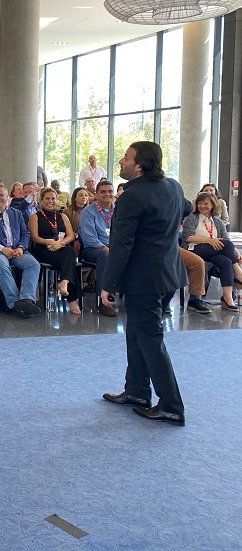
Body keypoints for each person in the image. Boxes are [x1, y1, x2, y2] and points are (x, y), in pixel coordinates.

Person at [101, 141, 186, 426]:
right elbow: (184, 209)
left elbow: (121, 244)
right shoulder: (174, 187)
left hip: (144, 280)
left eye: (126, 158)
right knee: (136, 333)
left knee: (150, 339)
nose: (121, 162)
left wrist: (107, 283)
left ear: (139, 165)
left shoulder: (131, 196)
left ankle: (171, 406)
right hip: (169, 274)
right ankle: (137, 391)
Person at [0, 183, 41, 318]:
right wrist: (2, 248)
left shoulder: (16, 213)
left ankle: (26, 299)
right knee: (3, 265)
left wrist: (21, 248)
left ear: (7, 197)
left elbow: (25, 234)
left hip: (16, 250)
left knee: (33, 264)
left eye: (1, 195)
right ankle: (14, 303)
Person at [181, 192, 242, 312]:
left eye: (206, 203)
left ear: (213, 205)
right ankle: (239, 274)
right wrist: (209, 241)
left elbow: (225, 239)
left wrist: (236, 252)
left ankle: (227, 298)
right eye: (200, 203)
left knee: (225, 261)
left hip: (212, 251)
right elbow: (187, 237)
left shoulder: (217, 222)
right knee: (227, 245)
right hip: (193, 248)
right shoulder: (192, 218)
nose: (202, 206)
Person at [28, 187, 81, 315]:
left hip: (60, 248)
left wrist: (59, 243)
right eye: (47, 198)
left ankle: (64, 282)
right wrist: (49, 242)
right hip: (43, 249)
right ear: (41, 200)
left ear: (57, 200)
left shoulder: (62, 216)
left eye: (53, 198)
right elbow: (34, 237)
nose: (50, 201)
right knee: (69, 260)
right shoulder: (35, 216)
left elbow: (71, 235)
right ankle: (72, 299)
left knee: (68, 252)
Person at [79, 180, 116, 317]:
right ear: (96, 194)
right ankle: (104, 301)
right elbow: (89, 239)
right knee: (105, 256)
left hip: (116, 249)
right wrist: (108, 249)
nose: (107, 194)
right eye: (103, 192)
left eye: (110, 191)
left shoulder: (119, 210)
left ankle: (140, 299)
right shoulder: (88, 212)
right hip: (93, 250)